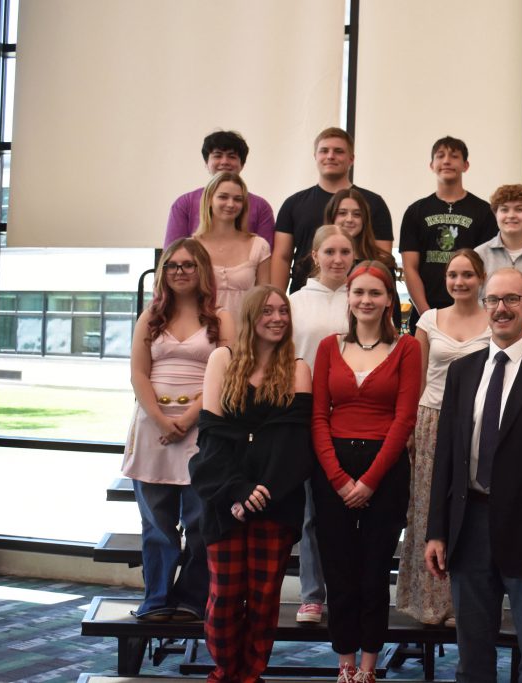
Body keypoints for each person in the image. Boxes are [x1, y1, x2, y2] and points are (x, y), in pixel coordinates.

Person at [425, 268, 522, 683]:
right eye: (493, 300)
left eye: (512, 299)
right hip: (469, 527)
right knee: (472, 660)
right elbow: (446, 458)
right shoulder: (462, 371)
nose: (501, 308)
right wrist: (437, 531)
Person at [188, 285, 314, 683]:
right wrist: (237, 491)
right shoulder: (222, 360)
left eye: (283, 311)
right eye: (267, 311)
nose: (277, 318)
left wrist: (261, 494)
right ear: (249, 317)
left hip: (276, 502)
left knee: (263, 598)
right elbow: (212, 436)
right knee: (224, 596)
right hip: (224, 499)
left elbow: (294, 446)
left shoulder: (297, 369)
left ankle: (250, 676)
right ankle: (225, 672)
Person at [310, 260, 421, 683]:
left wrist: (370, 480)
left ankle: (369, 666)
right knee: (339, 573)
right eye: (359, 292)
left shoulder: (407, 348)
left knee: (374, 574)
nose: (366, 300)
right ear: (349, 297)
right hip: (333, 469)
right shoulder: (328, 346)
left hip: (385, 470)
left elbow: (404, 419)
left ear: (389, 299)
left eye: (375, 292)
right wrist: (339, 479)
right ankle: (345, 663)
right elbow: (318, 417)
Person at [122, 239, 233, 622]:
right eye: (172, 265)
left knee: (201, 522)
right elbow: (138, 373)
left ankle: (192, 598)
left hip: (202, 430)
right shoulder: (150, 317)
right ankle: (156, 598)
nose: (180, 271)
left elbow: (228, 375)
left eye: (188, 265)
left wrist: (187, 421)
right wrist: (159, 419)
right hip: (152, 430)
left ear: (202, 270)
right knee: (156, 523)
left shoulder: (221, 318)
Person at [396, 249, 491, 625]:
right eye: (453, 275)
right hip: (432, 420)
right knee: (428, 509)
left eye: (467, 275)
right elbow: (416, 378)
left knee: (466, 510)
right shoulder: (429, 320)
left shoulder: (493, 320)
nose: (459, 282)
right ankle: (429, 601)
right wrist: (410, 429)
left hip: (476, 423)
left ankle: (463, 601)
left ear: (481, 279)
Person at [288, 224, 355, 624]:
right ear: (315, 255)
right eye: (329, 251)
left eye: (345, 252)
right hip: (305, 411)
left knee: (346, 508)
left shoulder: (361, 298)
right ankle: (312, 594)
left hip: (351, 414)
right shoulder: (295, 302)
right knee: (312, 510)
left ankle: (348, 590)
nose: (337, 259)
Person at [273, 127, 393, 293]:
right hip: (306, 295)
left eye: (338, 151)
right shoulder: (293, 204)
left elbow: (382, 259)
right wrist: (278, 299)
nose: (330, 156)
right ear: (315, 156)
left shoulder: (374, 203)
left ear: (351, 159)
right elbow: (282, 257)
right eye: (324, 151)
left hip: (360, 298)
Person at [399, 135, 497, 331]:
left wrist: (477, 311)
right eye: (440, 156)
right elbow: (410, 268)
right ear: (431, 165)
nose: (446, 161)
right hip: (426, 310)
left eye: (454, 156)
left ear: (465, 165)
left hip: (471, 312)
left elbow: (487, 266)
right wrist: (426, 315)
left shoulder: (484, 211)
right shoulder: (415, 211)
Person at [164, 130, 276, 248]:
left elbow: (266, 253)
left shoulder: (261, 207)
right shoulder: (184, 204)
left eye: (232, 156)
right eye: (217, 156)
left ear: (242, 164)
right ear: (206, 162)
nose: (224, 162)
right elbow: (172, 253)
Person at [194, 171, 271, 322]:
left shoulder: (259, 246)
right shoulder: (192, 247)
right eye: (223, 197)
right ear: (209, 200)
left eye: (237, 199)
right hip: (203, 331)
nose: (230, 204)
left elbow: (264, 300)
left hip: (245, 332)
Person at [324, 189, 403, 330]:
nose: (349, 219)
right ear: (332, 217)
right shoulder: (321, 260)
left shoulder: (382, 262)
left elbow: (392, 310)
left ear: (364, 219)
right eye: (342, 213)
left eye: (357, 214)